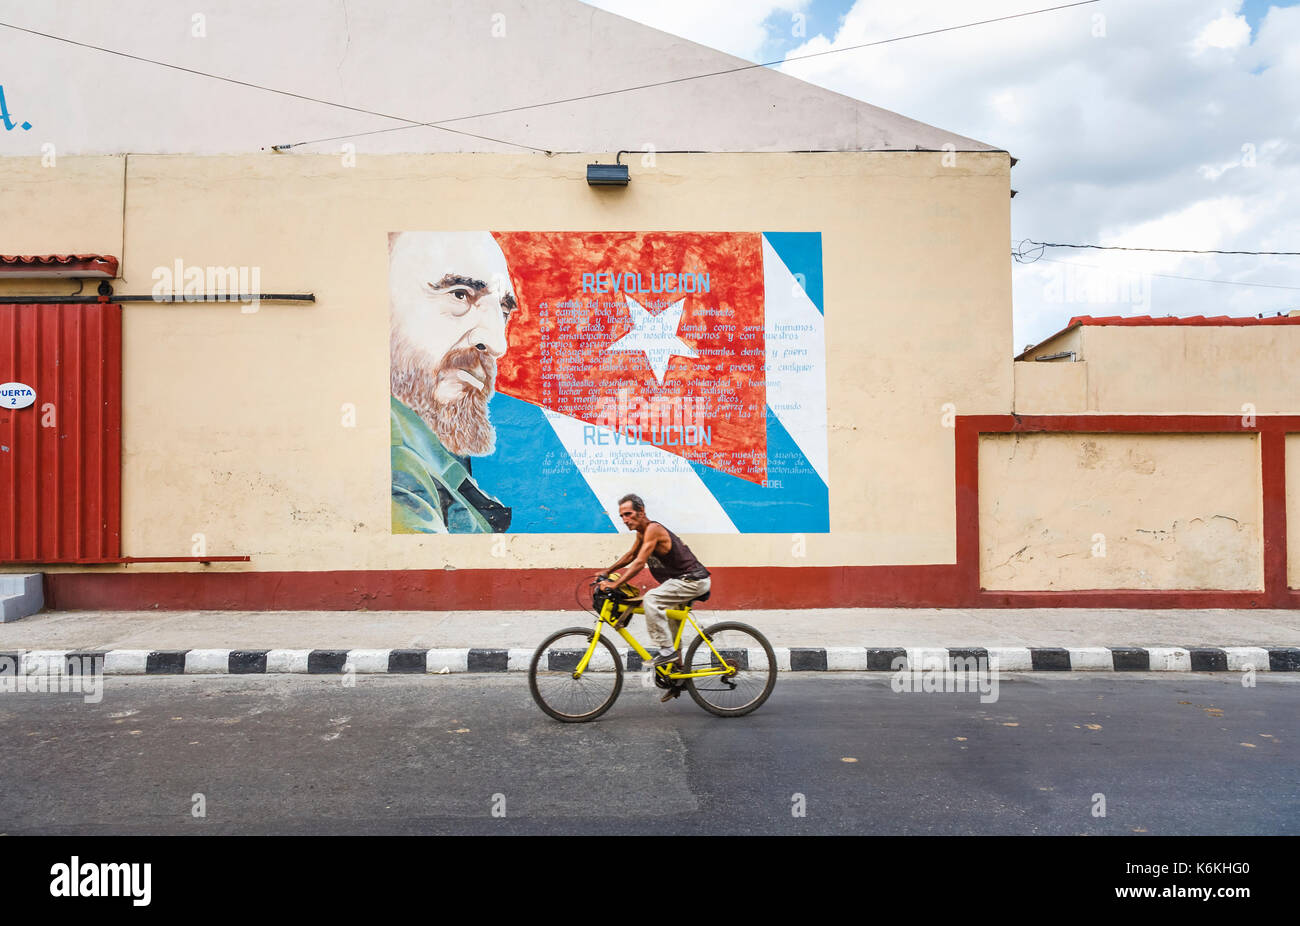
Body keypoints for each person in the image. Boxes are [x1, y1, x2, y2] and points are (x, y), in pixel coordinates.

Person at [389, 231, 515, 533]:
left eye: (504, 311)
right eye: (460, 294)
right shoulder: (394, 467)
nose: (498, 344)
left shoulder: (438, 461)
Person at [599, 493, 711, 700]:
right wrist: (607, 571)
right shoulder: (642, 532)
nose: (625, 520)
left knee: (651, 600)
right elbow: (631, 555)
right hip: (679, 582)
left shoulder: (653, 530)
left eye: (629, 514)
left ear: (642, 512)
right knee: (671, 627)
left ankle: (666, 652)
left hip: (692, 581)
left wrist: (615, 583)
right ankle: (677, 675)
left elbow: (639, 562)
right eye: (622, 516)